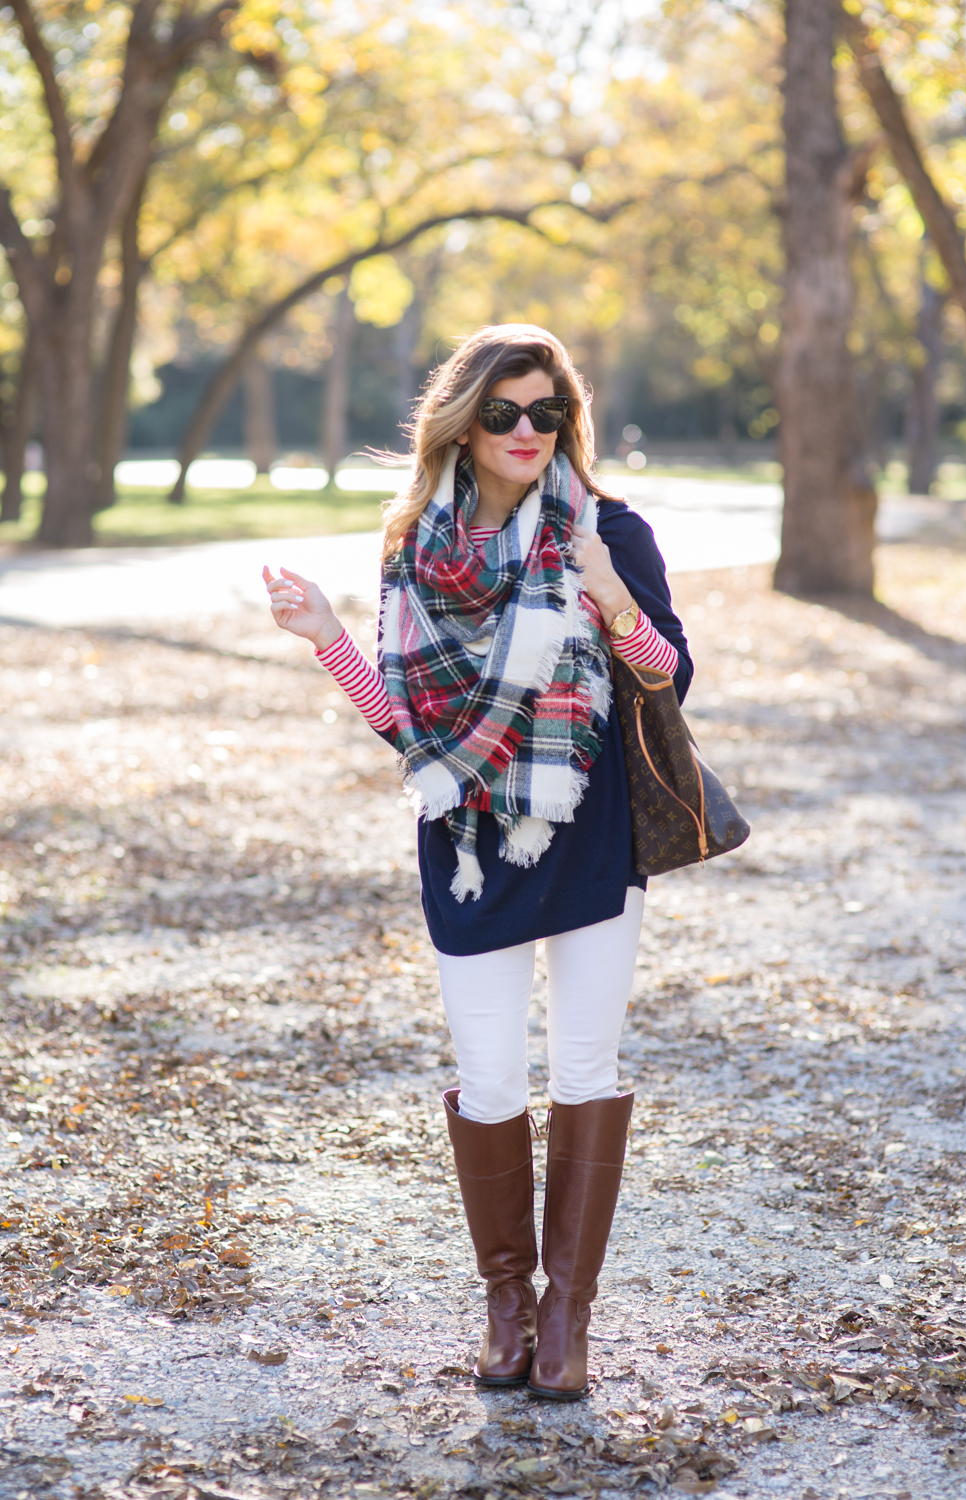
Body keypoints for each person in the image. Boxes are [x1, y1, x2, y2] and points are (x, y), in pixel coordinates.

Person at [263, 324, 692, 1400]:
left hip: (589, 831)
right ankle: (505, 1297)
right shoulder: (412, 546)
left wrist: (614, 596)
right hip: (464, 843)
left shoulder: (609, 531)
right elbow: (408, 728)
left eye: (547, 411)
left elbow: (668, 676)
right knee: (493, 1077)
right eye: (503, 411)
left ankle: (564, 1318)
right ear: (465, 419)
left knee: (584, 1071)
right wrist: (327, 640)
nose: (525, 431)